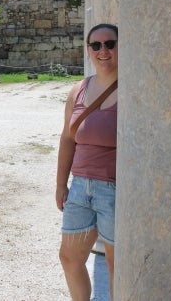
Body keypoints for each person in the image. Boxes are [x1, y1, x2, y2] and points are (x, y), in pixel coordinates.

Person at [56, 23, 118, 301]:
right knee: (69, 257)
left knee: (117, 265)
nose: (103, 51)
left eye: (110, 44)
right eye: (96, 45)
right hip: (81, 187)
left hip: (115, 190)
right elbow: (68, 140)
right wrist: (61, 185)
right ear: (88, 50)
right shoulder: (79, 90)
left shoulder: (133, 89)